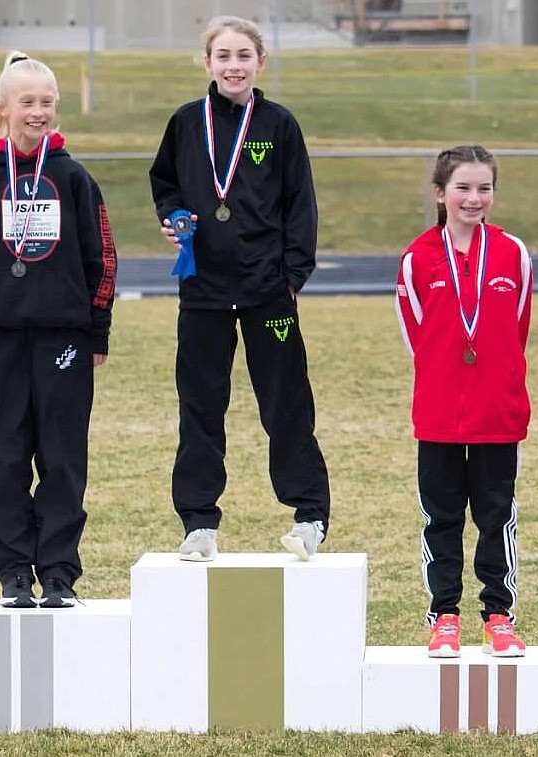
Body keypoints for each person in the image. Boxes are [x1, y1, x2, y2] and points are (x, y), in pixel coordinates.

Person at [149, 15, 331, 563]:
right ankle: (198, 522)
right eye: (223, 56)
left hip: (267, 294)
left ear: (260, 63)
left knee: (286, 403)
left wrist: (292, 278)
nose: (233, 66)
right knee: (201, 406)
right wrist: (173, 216)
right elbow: (165, 184)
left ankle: (309, 515)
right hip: (202, 293)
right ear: (207, 63)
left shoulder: (278, 124)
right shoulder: (185, 123)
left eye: (243, 56)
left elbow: (301, 204)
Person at [0, 51, 117, 609]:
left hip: (65, 339)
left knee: (63, 458)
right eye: (27, 101)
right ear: (3, 106)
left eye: (47, 102)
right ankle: (15, 571)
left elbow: (103, 256)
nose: (38, 112)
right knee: (2, 459)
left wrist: (96, 330)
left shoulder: (72, 176)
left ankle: (60, 573)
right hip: (0, 342)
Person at [395, 145, 532, 658]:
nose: (473, 198)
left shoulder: (512, 253)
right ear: (440, 193)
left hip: (499, 412)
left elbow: (516, 328)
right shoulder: (417, 258)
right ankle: (444, 616)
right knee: (442, 516)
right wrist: (445, 376)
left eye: (484, 188)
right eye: (462, 188)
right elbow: (416, 336)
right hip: (439, 414)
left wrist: (496, 378)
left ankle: (499, 615)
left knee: (497, 514)